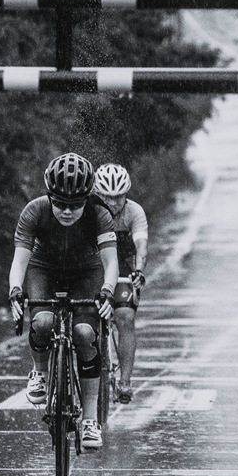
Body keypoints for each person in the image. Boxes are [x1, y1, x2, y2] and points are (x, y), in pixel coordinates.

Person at [8, 153, 118, 449]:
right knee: (42, 322)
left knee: (84, 334)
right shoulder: (34, 211)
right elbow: (20, 262)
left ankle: (91, 421)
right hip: (45, 268)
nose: (67, 211)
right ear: (49, 195)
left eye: (75, 205)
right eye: (60, 204)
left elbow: (110, 264)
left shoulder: (100, 214)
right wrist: (16, 290)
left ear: (87, 199)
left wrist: (107, 291)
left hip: (87, 271)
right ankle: (40, 372)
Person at [91, 163, 148, 404]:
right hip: (93, 266)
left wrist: (138, 270)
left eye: (119, 197)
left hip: (123, 268)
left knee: (125, 316)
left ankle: (125, 381)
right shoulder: (88, 210)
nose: (114, 203)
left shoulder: (134, 212)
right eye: (107, 197)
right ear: (97, 194)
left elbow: (141, 246)